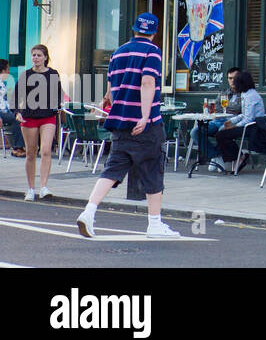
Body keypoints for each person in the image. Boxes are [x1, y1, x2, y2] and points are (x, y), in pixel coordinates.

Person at [76, 15, 180, 238]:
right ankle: (154, 223)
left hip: (120, 122)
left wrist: (117, 108)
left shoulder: (119, 52)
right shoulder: (152, 51)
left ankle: (89, 212)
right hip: (146, 124)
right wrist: (144, 116)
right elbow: (148, 82)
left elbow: (111, 90)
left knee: (112, 169)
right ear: (154, 32)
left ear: (134, 30)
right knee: (153, 170)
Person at [17, 43, 62, 200]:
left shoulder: (53, 74)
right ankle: (31, 189)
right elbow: (17, 96)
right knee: (30, 152)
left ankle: (44, 187)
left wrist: (58, 106)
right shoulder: (26, 75)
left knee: (46, 150)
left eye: (38, 55)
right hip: (29, 116)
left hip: (48, 116)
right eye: (33, 55)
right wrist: (17, 112)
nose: (35, 58)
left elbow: (58, 93)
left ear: (45, 58)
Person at [211, 70, 265, 173]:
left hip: (253, 127)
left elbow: (249, 119)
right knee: (222, 130)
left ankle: (239, 157)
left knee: (221, 134)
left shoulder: (251, 96)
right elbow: (244, 114)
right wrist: (231, 121)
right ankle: (238, 157)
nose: (234, 84)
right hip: (248, 124)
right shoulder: (246, 94)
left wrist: (234, 126)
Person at [1, 59, 24, 158]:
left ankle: (26, 146)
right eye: (7, 69)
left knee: (22, 115)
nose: (9, 72)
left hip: (5, 109)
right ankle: (17, 148)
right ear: (3, 70)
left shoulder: (2, 83)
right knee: (16, 119)